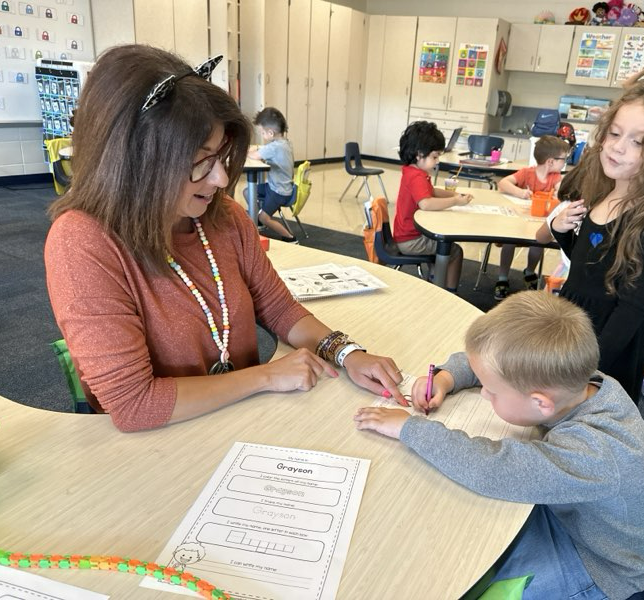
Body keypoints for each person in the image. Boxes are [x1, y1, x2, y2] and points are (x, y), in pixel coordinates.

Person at [44, 44, 404, 433]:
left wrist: (347, 353)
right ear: (136, 160)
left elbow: (279, 309)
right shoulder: (82, 242)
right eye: (200, 161)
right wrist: (265, 377)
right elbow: (135, 405)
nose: (219, 179)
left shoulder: (222, 217)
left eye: (221, 156)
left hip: (238, 422)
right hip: (160, 446)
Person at [354, 291, 644, 600]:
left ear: (541, 403)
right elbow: (496, 362)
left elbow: (494, 468)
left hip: (602, 568)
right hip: (589, 525)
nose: (484, 393)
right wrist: (447, 377)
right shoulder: (585, 382)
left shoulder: (592, 455)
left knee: (465, 575)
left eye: (492, 392)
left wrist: (408, 428)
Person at [550, 77, 644, 403]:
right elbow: (587, 266)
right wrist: (562, 232)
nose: (617, 147)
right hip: (575, 321)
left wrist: (589, 370)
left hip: (606, 345)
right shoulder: (604, 195)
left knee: (589, 427)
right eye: (615, 134)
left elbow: (630, 311)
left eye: (638, 142)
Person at [393, 121, 473, 291]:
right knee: (454, 251)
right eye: (435, 157)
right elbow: (427, 203)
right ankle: (449, 293)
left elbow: (432, 192)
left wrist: (454, 194)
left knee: (442, 243)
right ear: (419, 155)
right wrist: (455, 201)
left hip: (407, 235)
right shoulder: (416, 177)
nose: (437, 162)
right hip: (410, 240)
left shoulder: (414, 171)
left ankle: (435, 281)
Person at [495, 135, 570, 299]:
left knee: (538, 245)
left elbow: (562, 190)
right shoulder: (527, 173)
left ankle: (529, 271)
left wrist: (560, 192)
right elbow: (503, 183)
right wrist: (520, 192)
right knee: (509, 242)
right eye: (563, 159)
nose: (564, 163)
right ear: (550, 161)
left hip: (536, 225)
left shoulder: (555, 177)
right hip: (517, 222)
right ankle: (502, 277)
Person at [246, 107, 297, 243]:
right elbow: (264, 151)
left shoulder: (275, 147)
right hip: (278, 186)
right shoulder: (284, 143)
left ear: (270, 133)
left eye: (262, 133)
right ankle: (259, 220)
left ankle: (290, 237)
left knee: (264, 217)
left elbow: (253, 155)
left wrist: (247, 151)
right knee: (248, 192)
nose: (262, 136)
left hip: (279, 191)